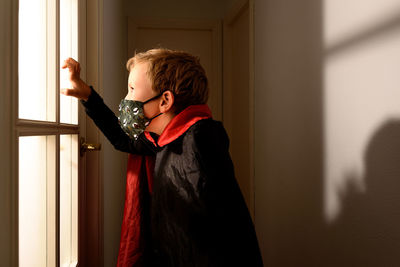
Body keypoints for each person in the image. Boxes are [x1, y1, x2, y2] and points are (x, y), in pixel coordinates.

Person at [62, 48, 263, 267]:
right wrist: (88, 97)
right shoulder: (165, 138)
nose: (126, 99)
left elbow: (219, 231)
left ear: (165, 100)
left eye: (132, 89)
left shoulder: (200, 138)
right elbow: (124, 140)